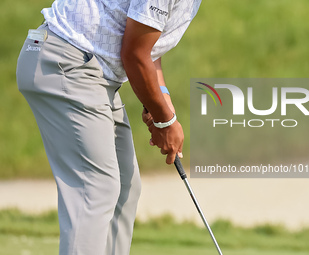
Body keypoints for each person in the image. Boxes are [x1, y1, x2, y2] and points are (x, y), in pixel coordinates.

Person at [16, 0, 201, 254]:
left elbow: (147, 45)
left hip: (90, 70)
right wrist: (164, 120)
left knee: (125, 186)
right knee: (96, 187)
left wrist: (162, 97)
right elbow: (134, 54)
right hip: (66, 61)